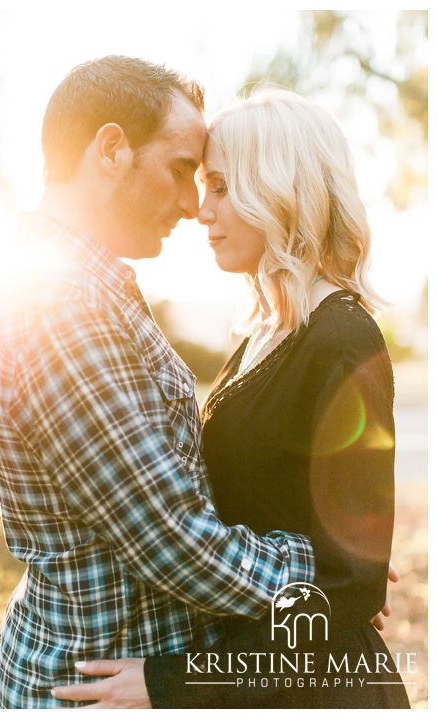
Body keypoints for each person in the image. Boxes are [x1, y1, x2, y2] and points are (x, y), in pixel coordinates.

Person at [0, 56, 319, 709]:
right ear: (110, 149)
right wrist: (321, 574)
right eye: (182, 169)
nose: (193, 203)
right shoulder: (59, 305)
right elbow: (168, 536)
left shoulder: (91, 286)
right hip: (101, 685)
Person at [53, 91, 409, 709]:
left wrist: (173, 681)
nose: (199, 210)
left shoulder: (343, 339)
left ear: (278, 189)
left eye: (219, 187)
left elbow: (350, 585)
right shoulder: (260, 333)